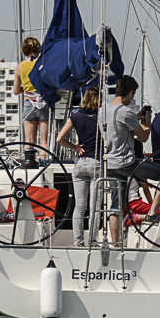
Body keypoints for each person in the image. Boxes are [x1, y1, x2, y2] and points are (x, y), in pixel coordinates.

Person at [100, 76, 160, 243]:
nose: (133, 97)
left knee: (116, 206)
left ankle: (116, 243)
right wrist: (147, 122)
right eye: (133, 94)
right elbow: (144, 137)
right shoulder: (126, 112)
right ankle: (153, 214)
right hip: (127, 163)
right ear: (130, 92)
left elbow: (119, 126)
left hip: (110, 164)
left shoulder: (103, 111)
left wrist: (137, 118)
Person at [56, 88, 103, 247]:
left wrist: (74, 147)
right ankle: (93, 241)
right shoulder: (102, 117)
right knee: (94, 207)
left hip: (79, 163)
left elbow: (59, 139)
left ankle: (78, 242)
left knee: (79, 206)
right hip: (96, 162)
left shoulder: (75, 116)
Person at [13, 36, 50, 161]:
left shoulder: (20, 67)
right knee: (43, 141)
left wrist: (26, 87)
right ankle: (43, 164)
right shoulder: (43, 64)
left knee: (29, 141)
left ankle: (29, 165)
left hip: (29, 104)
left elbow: (16, 91)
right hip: (44, 103)